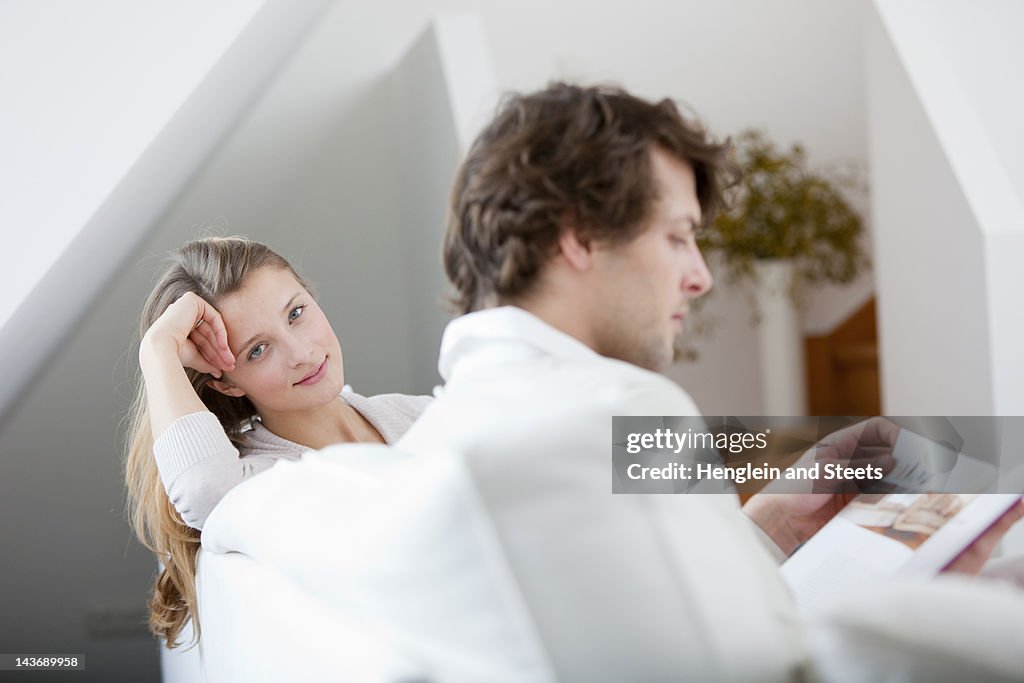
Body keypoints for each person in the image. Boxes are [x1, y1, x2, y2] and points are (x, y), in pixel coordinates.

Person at [395, 83, 1024, 680]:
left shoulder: (435, 435)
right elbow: (769, 669)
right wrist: (940, 600)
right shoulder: (620, 406)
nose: (700, 277)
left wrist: (769, 528)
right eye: (678, 238)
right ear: (578, 237)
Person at [123, 236, 431, 648]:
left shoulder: (422, 416)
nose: (301, 352)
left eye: (297, 313)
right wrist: (157, 351)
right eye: (258, 350)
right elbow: (202, 490)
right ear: (227, 384)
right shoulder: (264, 479)